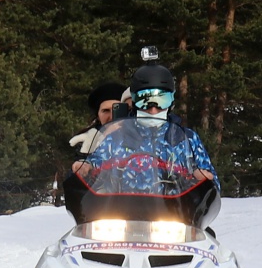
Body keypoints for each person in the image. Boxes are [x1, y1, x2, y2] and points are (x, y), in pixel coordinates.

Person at [81, 60, 216, 195]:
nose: (153, 109)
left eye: (161, 101)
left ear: (172, 101)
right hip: (123, 210)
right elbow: (94, 168)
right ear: (134, 102)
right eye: (144, 101)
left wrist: (203, 180)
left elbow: (213, 185)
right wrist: (85, 169)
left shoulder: (186, 139)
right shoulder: (117, 138)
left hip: (174, 211)